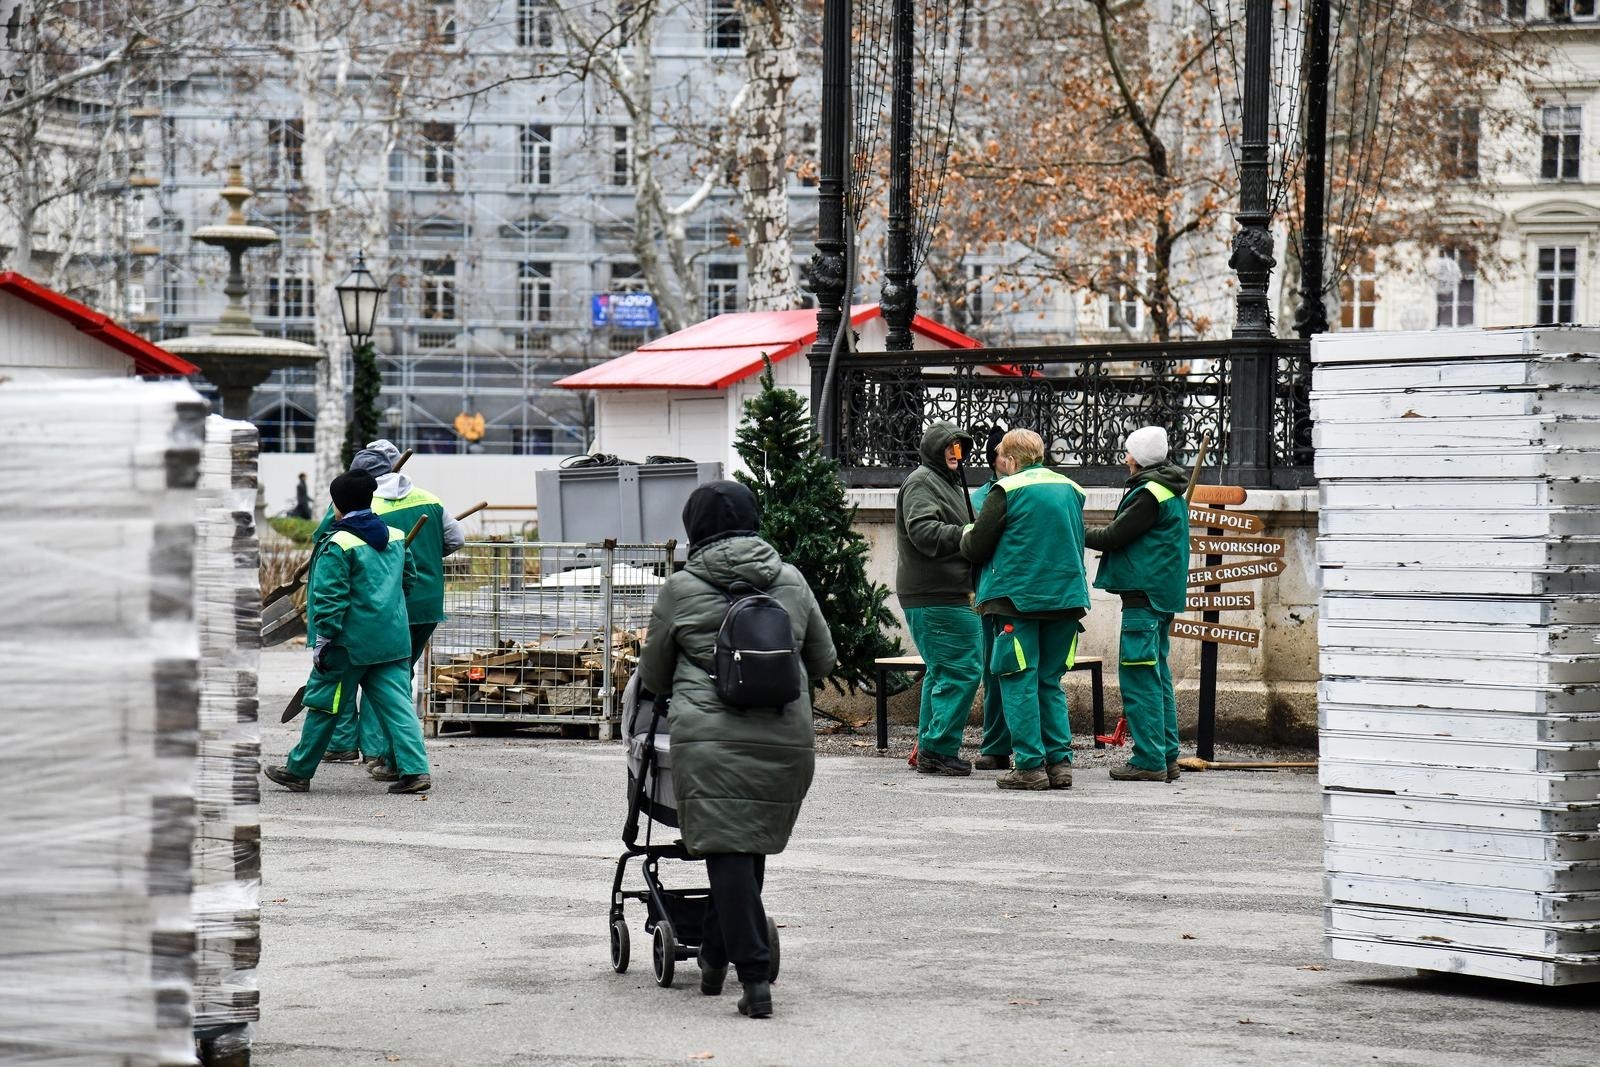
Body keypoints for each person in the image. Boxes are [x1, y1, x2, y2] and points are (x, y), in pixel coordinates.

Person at [638, 481, 835, 1020]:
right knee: (746, 847)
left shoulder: (680, 588)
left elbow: (653, 675)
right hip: (785, 734)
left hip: (709, 737)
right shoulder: (790, 580)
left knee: (729, 850)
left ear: (693, 528)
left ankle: (753, 979)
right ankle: (715, 956)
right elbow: (824, 658)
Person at [264, 470, 433, 794]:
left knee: (325, 703)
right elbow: (409, 579)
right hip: (393, 641)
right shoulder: (396, 536)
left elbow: (329, 598)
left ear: (338, 505)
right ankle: (415, 771)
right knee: (398, 707)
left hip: (349, 645)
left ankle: (299, 770)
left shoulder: (338, 543)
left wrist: (324, 640)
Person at [315, 439, 465, 775]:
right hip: (425, 604)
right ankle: (392, 758)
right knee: (396, 677)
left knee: (369, 676)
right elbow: (456, 539)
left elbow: (325, 543)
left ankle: (368, 750)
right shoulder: (428, 498)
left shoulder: (360, 510)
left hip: (378, 607)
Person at [960, 429, 1089, 791]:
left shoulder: (1007, 490)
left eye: (1001, 456)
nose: (999, 462)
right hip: (1066, 599)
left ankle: (1030, 765)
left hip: (1017, 600)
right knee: (1049, 682)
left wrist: (966, 532)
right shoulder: (1071, 489)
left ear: (1012, 460)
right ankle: (1059, 763)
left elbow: (977, 545)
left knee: (1018, 678)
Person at [1084, 426, 1190, 783]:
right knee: (1156, 675)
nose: (1125, 458)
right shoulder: (1167, 488)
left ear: (1139, 458)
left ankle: (1148, 759)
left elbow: (1114, 536)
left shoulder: (1149, 493)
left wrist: (1071, 528)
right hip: (1158, 594)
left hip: (1144, 595)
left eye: (1128, 452)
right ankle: (1166, 756)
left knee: (1140, 677)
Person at [893, 421, 983, 777]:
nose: (955, 453)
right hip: (935, 595)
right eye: (949, 446)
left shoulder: (946, 483)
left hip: (943, 592)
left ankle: (928, 746)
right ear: (934, 448)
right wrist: (969, 533)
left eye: (959, 447)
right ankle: (938, 749)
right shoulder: (921, 482)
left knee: (943, 671)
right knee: (963, 668)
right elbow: (923, 532)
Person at [968, 425, 1011, 771]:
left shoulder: (1030, 490)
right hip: (993, 595)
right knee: (994, 670)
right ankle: (996, 744)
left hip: (1018, 593)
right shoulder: (980, 498)